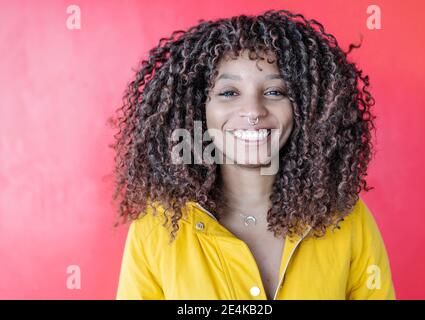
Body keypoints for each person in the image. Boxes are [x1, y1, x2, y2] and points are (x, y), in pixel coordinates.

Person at [109, 9, 396, 300]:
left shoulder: (346, 218)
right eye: (229, 92)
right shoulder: (156, 227)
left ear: (306, 109)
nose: (253, 111)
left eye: (274, 92)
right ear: (197, 108)